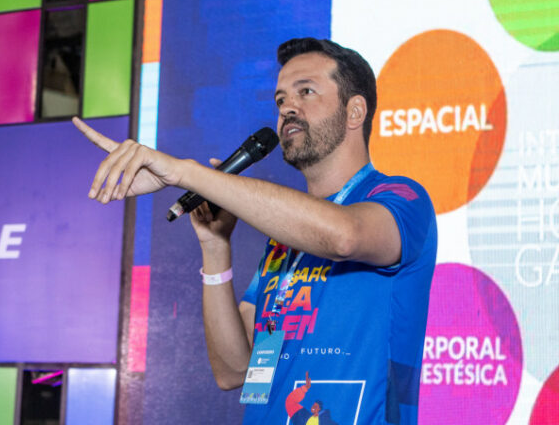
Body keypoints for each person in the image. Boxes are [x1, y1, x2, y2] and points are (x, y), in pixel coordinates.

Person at [73, 37, 437, 424]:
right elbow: (234, 371)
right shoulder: (284, 242)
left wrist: (185, 172)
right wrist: (215, 247)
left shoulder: (401, 198)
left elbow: (344, 236)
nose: (287, 108)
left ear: (355, 111)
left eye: (306, 91)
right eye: (280, 100)